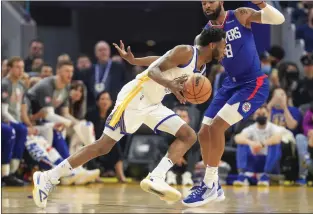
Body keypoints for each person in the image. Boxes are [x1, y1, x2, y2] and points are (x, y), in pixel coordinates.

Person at [32, 27, 226, 208]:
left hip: (153, 103)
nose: (225, 49)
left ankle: (155, 177)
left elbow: (160, 58)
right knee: (103, 146)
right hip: (136, 96)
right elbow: (154, 69)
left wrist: (135, 61)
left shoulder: (200, 70)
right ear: (212, 44)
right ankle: (49, 177)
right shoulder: (186, 51)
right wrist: (172, 86)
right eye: (224, 44)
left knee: (188, 135)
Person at [114, 1, 285, 207]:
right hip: (231, 84)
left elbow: (279, 19)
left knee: (218, 127)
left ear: (220, 1)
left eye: (211, 1)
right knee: (204, 131)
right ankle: (213, 184)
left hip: (253, 84)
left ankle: (210, 184)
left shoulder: (240, 15)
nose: (207, 5)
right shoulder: (205, 34)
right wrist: (137, 61)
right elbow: (169, 59)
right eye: (203, 2)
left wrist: (261, 4)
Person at [1, 57, 33, 186]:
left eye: (22, 67)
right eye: (17, 67)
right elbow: (3, 111)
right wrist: (18, 124)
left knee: (23, 130)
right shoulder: (4, 84)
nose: (21, 70)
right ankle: (5, 173)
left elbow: (22, 110)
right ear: (9, 68)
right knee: (15, 131)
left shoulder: (21, 85)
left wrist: (29, 125)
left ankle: (13, 172)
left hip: (15, 120)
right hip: (5, 119)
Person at [233, 105, 283, 186]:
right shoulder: (251, 128)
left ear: (268, 114)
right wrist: (251, 143)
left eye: (263, 114)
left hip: (269, 161)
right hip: (254, 159)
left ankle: (266, 175)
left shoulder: (274, 128)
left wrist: (262, 144)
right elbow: (237, 138)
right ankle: (242, 175)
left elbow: (277, 138)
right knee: (242, 144)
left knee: (276, 145)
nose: (261, 116)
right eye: (258, 114)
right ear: (254, 116)